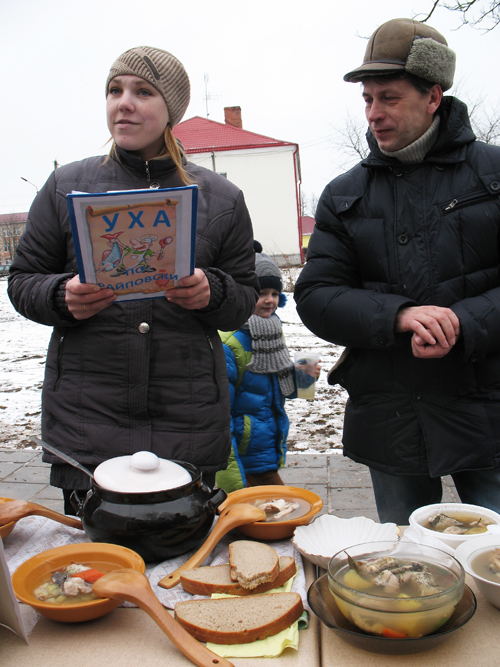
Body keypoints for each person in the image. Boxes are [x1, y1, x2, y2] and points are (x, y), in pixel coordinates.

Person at [8, 46, 259, 513]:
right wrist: (62, 296)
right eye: (114, 90)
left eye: (143, 92)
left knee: (180, 564)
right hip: (88, 421)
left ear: (171, 111)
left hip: (184, 420)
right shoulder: (67, 186)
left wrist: (212, 291)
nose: (123, 102)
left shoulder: (220, 197)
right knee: (95, 570)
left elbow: (244, 295)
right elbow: (22, 281)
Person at [294, 19, 500, 524]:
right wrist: (400, 315)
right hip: (391, 416)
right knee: (405, 568)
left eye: (388, 97)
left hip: (488, 409)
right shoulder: (345, 193)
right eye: (367, 100)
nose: (374, 114)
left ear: (433, 96)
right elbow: (316, 294)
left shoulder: (493, 175)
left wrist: (464, 321)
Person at [216, 244, 318, 493]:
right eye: (262, 292)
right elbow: (218, 418)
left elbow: (269, 390)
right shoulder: (230, 343)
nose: (270, 300)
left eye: (274, 293)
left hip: (264, 449)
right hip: (242, 458)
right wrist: (232, 483)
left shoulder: (270, 331)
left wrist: (299, 378)